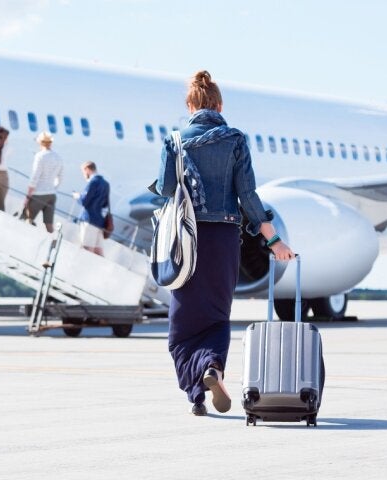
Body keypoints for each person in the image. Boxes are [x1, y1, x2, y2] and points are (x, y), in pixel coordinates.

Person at [154, 70, 295, 417]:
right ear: (219, 106)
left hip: (187, 240)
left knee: (182, 325)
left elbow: (166, 189)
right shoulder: (235, 140)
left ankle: (196, 396)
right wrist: (274, 240)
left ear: (190, 106)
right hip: (224, 240)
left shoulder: (175, 141)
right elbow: (248, 195)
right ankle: (212, 367)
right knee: (217, 317)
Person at [21, 132, 63, 232]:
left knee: (27, 219)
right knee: (49, 224)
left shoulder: (40, 156)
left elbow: (35, 177)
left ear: (40, 143)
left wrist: (28, 196)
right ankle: (54, 240)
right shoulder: (58, 157)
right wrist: (54, 188)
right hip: (52, 194)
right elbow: (61, 177)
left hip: (39, 193)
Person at [74, 161, 110, 256]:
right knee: (98, 252)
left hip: (89, 219)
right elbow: (105, 204)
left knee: (86, 249)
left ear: (87, 169)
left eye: (83, 172)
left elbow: (84, 201)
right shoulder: (106, 184)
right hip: (99, 222)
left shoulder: (93, 182)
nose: (84, 175)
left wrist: (77, 196)